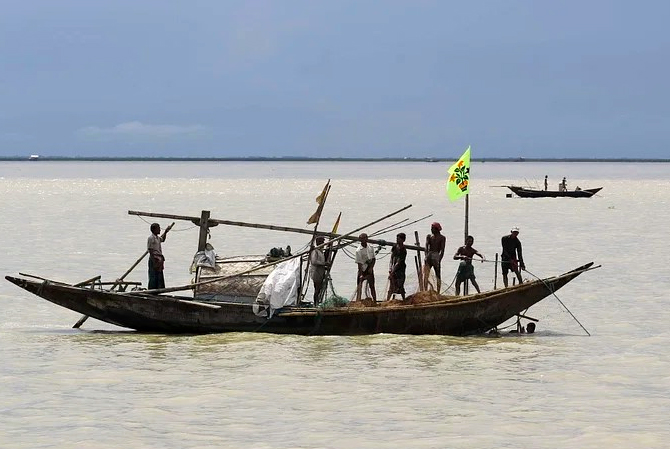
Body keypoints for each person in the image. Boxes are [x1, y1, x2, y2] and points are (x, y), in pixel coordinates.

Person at [423, 222, 446, 292]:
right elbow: (426, 246)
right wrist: (426, 255)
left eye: (432, 228)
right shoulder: (429, 236)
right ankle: (425, 290)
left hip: (436, 255)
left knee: (437, 275)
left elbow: (442, 250)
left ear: (437, 229)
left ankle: (438, 291)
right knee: (426, 274)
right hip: (430, 254)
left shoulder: (442, 238)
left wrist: (439, 259)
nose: (431, 230)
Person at [147, 222, 171, 290]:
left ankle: (158, 290)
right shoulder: (151, 238)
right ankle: (152, 290)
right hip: (154, 259)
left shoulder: (157, 238)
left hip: (158, 259)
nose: (160, 230)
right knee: (153, 276)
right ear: (154, 230)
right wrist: (154, 262)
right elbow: (150, 251)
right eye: (158, 228)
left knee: (159, 276)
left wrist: (166, 232)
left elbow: (162, 239)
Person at [355, 233, 377, 301]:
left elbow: (373, 259)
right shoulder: (358, 250)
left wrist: (371, 268)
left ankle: (375, 300)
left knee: (372, 286)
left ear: (367, 238)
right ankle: (358, 301)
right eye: (361, 239)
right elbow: (359, 263)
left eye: (364, 238)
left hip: (369, 268)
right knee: (359, 286)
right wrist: (361, 274)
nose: (363, 240)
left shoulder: (371, 247)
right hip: (362, 269)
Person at [387, 232, 407, 300]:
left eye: (399, 239)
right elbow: (392, 258)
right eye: (397, 239)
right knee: (391, 286)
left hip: (400, 269)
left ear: (403, 240)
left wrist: (393, 271)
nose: (397, 240)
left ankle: (404, 300)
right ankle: (387, 300)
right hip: (394, 268)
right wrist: (390, 268)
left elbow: (399, 262)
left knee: (400, 285)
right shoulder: (395, 246)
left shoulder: (403, 249)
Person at [310, 236, 328, 305]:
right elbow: (314, 261)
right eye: (322, 242)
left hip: (320, 272)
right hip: (316, 272)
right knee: (317, 288)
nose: (323, 243)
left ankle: (317, 302)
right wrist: (323, 263)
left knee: (319, 288)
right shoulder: (315, 251)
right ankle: (315, 303)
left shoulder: (321, 251)